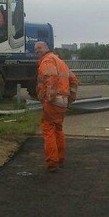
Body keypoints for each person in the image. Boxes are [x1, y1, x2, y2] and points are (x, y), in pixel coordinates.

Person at [35, 41, 78, 172]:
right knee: (58, 129)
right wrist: (71, 98)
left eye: (39, 48)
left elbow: (51, 77)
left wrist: (49, 97)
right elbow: (74, 80)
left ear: (46, 48)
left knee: (48, 129)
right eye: (35, 49)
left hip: (53, 101)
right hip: (63, 101)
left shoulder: (47, 61)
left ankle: (52, 162)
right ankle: (60, 158)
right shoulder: (60, 61)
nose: (37, 51)